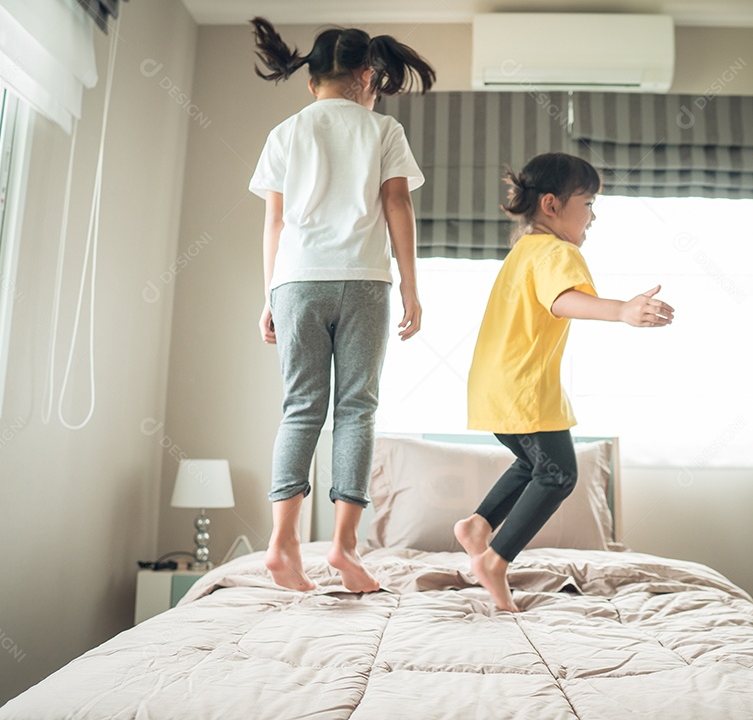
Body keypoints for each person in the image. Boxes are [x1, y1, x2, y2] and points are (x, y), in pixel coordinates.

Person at [247, 18, 435, 593]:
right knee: (356, 410)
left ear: (311, 83)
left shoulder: (285, 132)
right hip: (362, 280)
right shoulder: (382, 131)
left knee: (300, 408)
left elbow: (274, 221)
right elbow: (398, 205)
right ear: (366, 75)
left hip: (296, 282)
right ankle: (345, 548)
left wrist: (270, 295)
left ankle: (281, 545)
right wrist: (410, 283)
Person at [453, 152, 675, 612]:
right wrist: (621, 310)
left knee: (534, 464)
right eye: (589, 203)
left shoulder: (524, 251)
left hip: (494, 384)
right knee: (558, 474)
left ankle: (478, 525)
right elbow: (562, 301)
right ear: (552, 206)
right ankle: (495, 559)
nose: (593, 216)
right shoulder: (557, 251)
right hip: (522, 385)